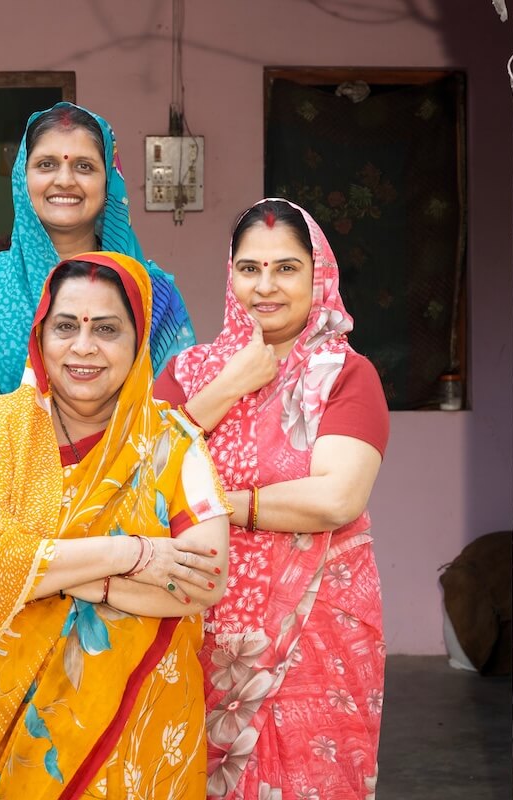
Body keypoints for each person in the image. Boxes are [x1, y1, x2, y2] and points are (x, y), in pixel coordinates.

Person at [0, 253, 230, 799]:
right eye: (66, 326)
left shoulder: (173, 442)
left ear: (137, 343)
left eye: (107, 329)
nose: (83, 347)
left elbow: (203, 579)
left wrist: (66, 577)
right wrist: (131, 556)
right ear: (41, 336)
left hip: (138, 733)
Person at [155, 199, 390, 799]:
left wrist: (217, 504)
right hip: (196, 624)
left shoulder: (345, 374)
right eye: (249, 268)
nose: (266, 286)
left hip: (315, 633)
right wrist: (230, 383)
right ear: (230, 275)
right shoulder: (188, 372)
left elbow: (337, 496)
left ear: (319, 276)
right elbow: (138, 473)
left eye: (286, 268)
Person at [0, 101, 195, 394]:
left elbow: (177, 409)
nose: (64, 180)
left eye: (84, 166)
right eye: (46, 164)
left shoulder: (153, 293)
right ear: (22, 179)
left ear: (108, 182)